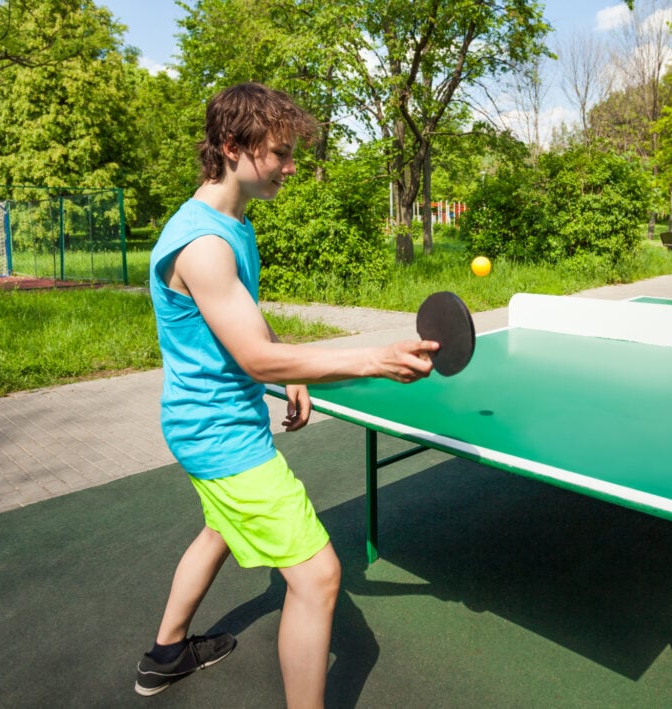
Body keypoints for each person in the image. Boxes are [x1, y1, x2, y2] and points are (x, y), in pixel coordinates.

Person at [135, 82, 438, 706]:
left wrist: (291, 375)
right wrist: (375, 359)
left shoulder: (231, 221)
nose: (291, 167)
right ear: (231, 147)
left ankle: (166, 654)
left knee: (219, 529)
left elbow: (246, 322)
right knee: (320, 576)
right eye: (279, 153)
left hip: (206, 421)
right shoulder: (205, 245)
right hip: (217, 434)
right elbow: (252, 354)